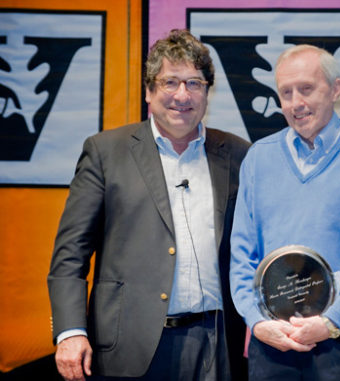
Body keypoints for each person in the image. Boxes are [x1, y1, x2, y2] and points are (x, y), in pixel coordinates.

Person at [47, 29, 250, 380]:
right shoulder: (106, 151)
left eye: (194, 83)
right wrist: (70, 331)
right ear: (148, 91)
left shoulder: (237, 153)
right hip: (131, 345)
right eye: (170, 82)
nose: (182, 95)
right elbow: (70, 255)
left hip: (216, 343)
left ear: (207, 92)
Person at [229, 44, 340, 380]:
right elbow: (241, 255)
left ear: (335, 89)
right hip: (275, 342)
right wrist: (257, 321)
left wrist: (331, 320)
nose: (296, 103)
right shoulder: (258, 159)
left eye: (306, 89)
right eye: (286, 93)